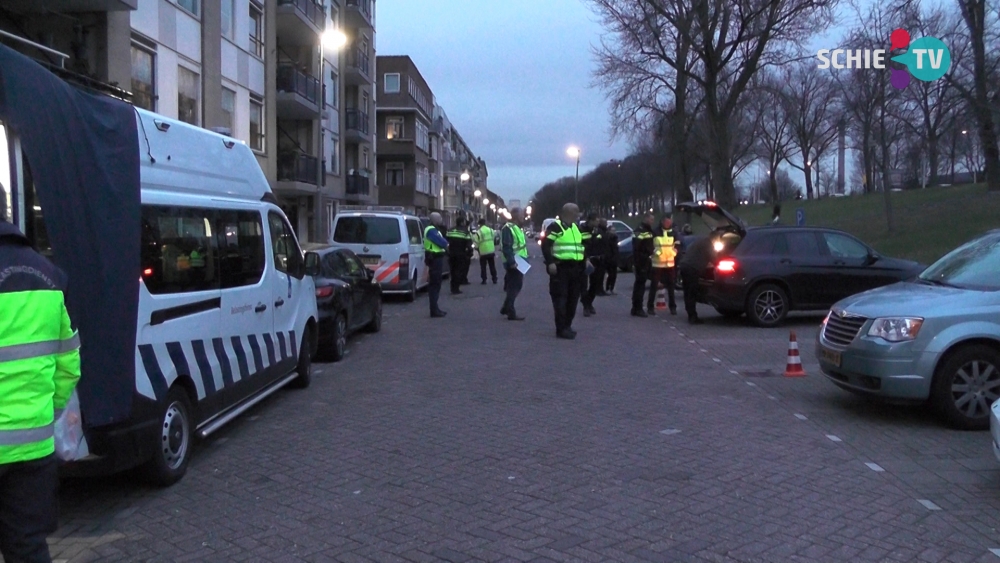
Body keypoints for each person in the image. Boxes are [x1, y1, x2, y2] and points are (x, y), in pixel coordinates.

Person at [0, 219, 82, 563]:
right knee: (28, 546)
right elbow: (69, 363)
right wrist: (46, 411)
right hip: (34, 447)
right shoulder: (49, 275)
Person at [541, 203, 586, 339]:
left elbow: (580, 246)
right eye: (576, 212)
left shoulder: (576, 228)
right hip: (561, 268)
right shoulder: (555, 227)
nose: (578, 215)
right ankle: (561, 329)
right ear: (568, 213)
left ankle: (567, 325)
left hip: (576, 268)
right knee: (560, 298)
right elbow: (546, 245)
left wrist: (585, 261)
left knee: (573, 298)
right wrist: (550, 262)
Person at [678, 231, 715, 324]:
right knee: (691, 293)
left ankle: (690, 314)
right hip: (692, 269)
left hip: (684, 266)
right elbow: (714, 257)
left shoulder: (700, 241)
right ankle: (692, 317)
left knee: (687, 292)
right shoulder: (708, 244)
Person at [646, 215, 678, 316]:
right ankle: (650, 307)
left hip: (669, 263)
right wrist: (657, 253)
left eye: (670, 222)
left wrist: (675, 252)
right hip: (658, 263)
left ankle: (673, 307)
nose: (668, 224)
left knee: (671, 287)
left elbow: (678, 244)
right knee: (654, 286)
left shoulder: (673, 232)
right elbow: (650, 245)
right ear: (662, 222)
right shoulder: (655, 232)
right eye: (667, 222)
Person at [499, 208, 527, 321]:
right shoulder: (508, 228)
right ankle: (510, 311)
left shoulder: (516, 228)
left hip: (520, 260)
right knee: (514, 286)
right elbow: (507, 247)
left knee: (516, 285)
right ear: (515, 216)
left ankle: (506, 307)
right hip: (515, 260)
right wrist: (511, 262)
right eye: (521, 215)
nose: (523, 217)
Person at [423, 213, 449, 317]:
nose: (441, 219)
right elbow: (441, 242)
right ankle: (434, 310)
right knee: (435, 284)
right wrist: (446, 244)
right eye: (440, 218)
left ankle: (435, 308)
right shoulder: (431, 230)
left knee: (436, 284)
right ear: (435, 220)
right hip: (434, 258)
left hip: (435, 258)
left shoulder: (433, 229)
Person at [630, 212, 656, 317]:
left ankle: (635, 308)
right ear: (646, 218)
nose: (652, 222)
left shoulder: (648, 230)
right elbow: (637, 247)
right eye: (651, 219)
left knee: (640, 284)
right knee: (640, 286)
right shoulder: (639, 230)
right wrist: (643, 258)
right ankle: (638, 308)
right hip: (641, 261)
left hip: (646, 260)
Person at [579, 213, 603, 317]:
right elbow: (580, 245)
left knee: (595, 283)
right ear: (590, 220)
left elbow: (601, 242)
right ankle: (586, 306)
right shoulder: (581, 229)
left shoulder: (597, 230)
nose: (598, 222)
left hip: (597, 259)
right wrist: (585, 258)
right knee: (583, 284)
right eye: (596, 220)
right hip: (584, 260)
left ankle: (589, 302)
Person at [446, 218, 473, 295]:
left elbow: (446, 241)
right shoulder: (465, 232)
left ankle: (452, 286)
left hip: (451, 254)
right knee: (459, 270)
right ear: (462, 222)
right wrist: (470, 253)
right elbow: (469, 244)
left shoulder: (450, 230)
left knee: (452, 270)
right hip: (461, 254)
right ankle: (456, 288)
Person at [475, 220, 498, 285]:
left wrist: (476, 248)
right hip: (491, 250)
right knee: (492, 266)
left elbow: (476, 242)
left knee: (483, 267)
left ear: (479, 224)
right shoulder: (491, 230)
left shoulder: (479, 232)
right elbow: (494, 238)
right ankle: (494, 278)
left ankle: (484, 280)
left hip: (483, 251)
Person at [604, 222, 619, 294]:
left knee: (614, 275)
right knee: (611, 275)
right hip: (610, 259)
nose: (614, 232)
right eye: (612, 230)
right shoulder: (608, 238)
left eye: (614, 230)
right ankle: (607, 288)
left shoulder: (615, 238)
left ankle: (611, 288)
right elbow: (608, 249)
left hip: (614, 258)